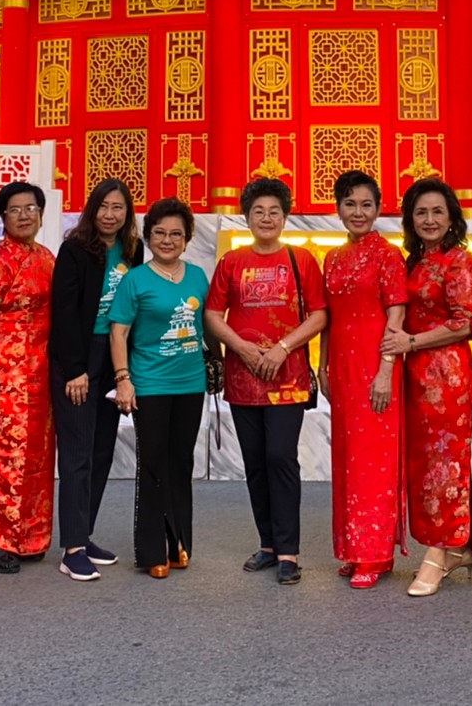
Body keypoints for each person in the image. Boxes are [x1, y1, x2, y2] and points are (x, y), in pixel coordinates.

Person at [206, 178, 327, 587]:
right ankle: (269, 544)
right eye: (258, 211)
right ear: (247, 216)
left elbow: (319, 314)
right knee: (255, 464)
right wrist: (242, 348)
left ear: (285, 216)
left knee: (280, 457)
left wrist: (281, 348)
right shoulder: (232, 263)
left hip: (287, 377)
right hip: (243, 378)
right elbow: (212, 314)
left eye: (274, 211)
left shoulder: (301, 259)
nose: (267, 218)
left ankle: (289, 550)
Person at [109, 197, 209, 579]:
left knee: (181, 463)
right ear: (148, 236)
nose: (167, 240)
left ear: (187, 239)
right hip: (149, 383)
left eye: (176, 234)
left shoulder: (198, 276)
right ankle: (152, 550)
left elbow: (207, 326)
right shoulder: (136, 279)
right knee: (153, 464)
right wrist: (124, 380)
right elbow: (119, 332)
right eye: (160, 233)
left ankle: (179, 543)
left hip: (190, 382)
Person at [392, 178, 472, 598]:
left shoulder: (458, 261)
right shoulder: (413, 262)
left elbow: (465, 323)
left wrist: (410, 342)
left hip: (448, 376)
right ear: (411, 218)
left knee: (446, 466)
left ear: (451, 219)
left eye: (437, 212)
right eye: (421, 212)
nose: (429, 220)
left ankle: (435, 553)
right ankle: (457, 546)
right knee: (424, 466)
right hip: (414, 375)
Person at [319, 170, 408, 590]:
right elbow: (328, 317)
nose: (358, 212)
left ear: (378, 209)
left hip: (376, 368)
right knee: (349, 459)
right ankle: (355, 548)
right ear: (338, 208)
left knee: (375, 460)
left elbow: (397, 316)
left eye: (366, 204)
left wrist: (387, 370)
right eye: (350, 204)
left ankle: (375, 553)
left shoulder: (388, 255)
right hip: (342, 366)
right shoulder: (332, 258)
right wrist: (323, 365)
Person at [51, 178, 143, 582]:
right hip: (80, 355)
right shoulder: (75, 250)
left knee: (102, 449)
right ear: (93, 210)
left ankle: (84, 535)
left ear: (127, 214)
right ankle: (71, 549)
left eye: (118, 208)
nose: (110, 215)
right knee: (77, 452)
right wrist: (76, 370)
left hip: (116, 353)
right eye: (104, 207)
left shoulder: (133, 253)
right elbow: (65, 313)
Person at [0, 181, 56, 574]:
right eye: (15, 210)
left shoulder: (46, 257)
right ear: (2, 217)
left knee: (37, 457)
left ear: (41, 213)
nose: (24, 215)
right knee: (3, 456)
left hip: (40, 371)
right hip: (4, 371)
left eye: (31, 208)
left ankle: (31, 536)